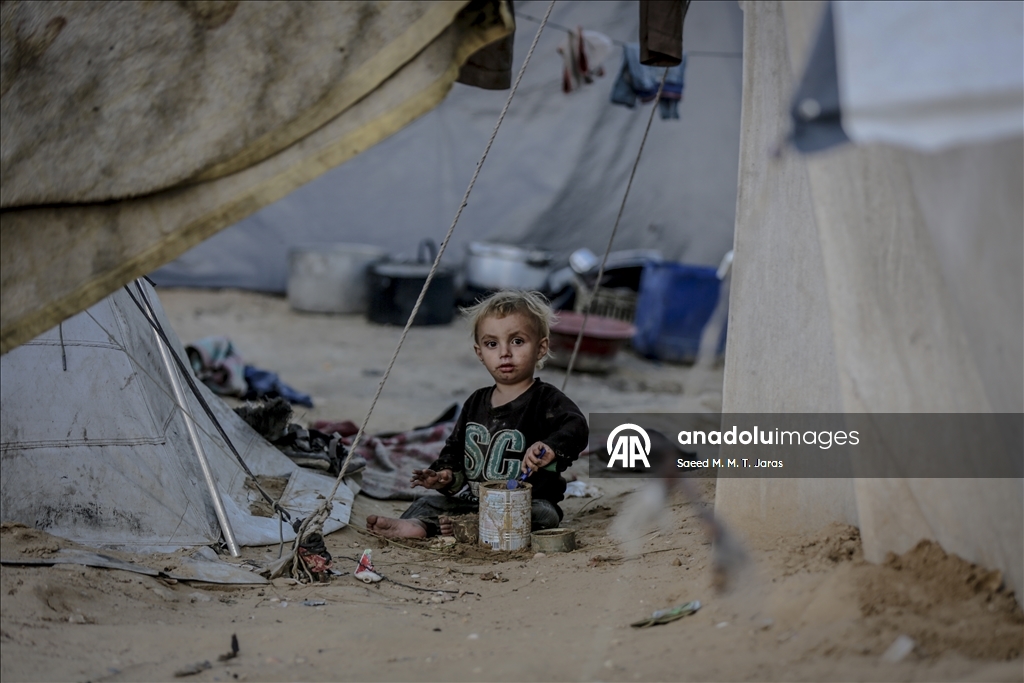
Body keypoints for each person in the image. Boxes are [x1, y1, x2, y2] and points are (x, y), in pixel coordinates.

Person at [366, 290, 589, 538]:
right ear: (480, 353)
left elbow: (576, 426)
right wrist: (445, 476)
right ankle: (426, 525)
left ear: (541, 348)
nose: (504, 352)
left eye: (517, 341)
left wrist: (550, 447)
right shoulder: (475, 402)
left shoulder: (546, 400)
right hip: (475, 503)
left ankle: (462, 528)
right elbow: (454, 450)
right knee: (425, 504)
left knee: (544, 515)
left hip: (524, 502)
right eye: (492, 344)